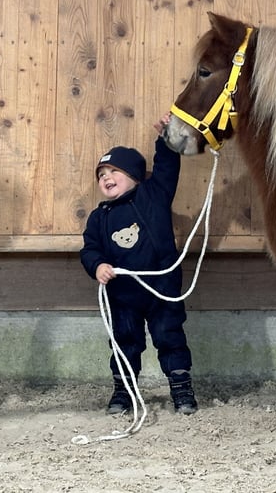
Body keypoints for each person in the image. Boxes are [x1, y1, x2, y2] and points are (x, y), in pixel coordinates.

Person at [80, 114, 198, 415]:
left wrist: (167, 140)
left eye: (114, 171)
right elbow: (90, 248)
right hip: (122, 295)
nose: (106, 177)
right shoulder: (99, 217)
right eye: (101, 173)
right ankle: (123, 391)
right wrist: (98, 266)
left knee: (170, 337)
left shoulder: (153, 195)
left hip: (161, 288)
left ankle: (181, 388)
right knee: (124, 342)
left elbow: (166, 167)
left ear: (134, 175)